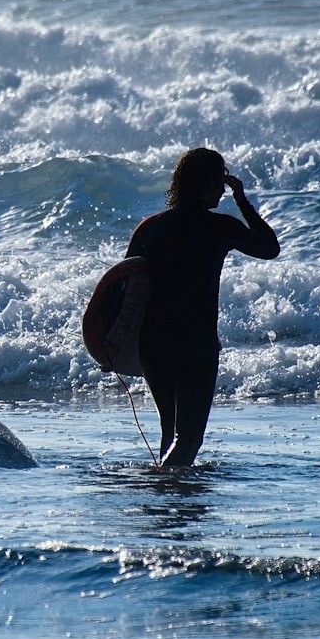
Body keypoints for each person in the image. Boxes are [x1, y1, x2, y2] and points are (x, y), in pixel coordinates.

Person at [125, 147, 280, 468]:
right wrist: (243, 200)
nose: (223, 190)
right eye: (219, 182)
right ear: (204, 184)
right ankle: (164, 487)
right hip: (195, 344)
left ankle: (169, 507)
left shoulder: (150, 228)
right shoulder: (219, 227)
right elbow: (269, 248)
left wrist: (112, 343)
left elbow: (125, 289)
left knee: (171, 435)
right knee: (189, 439)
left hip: (153, 344)